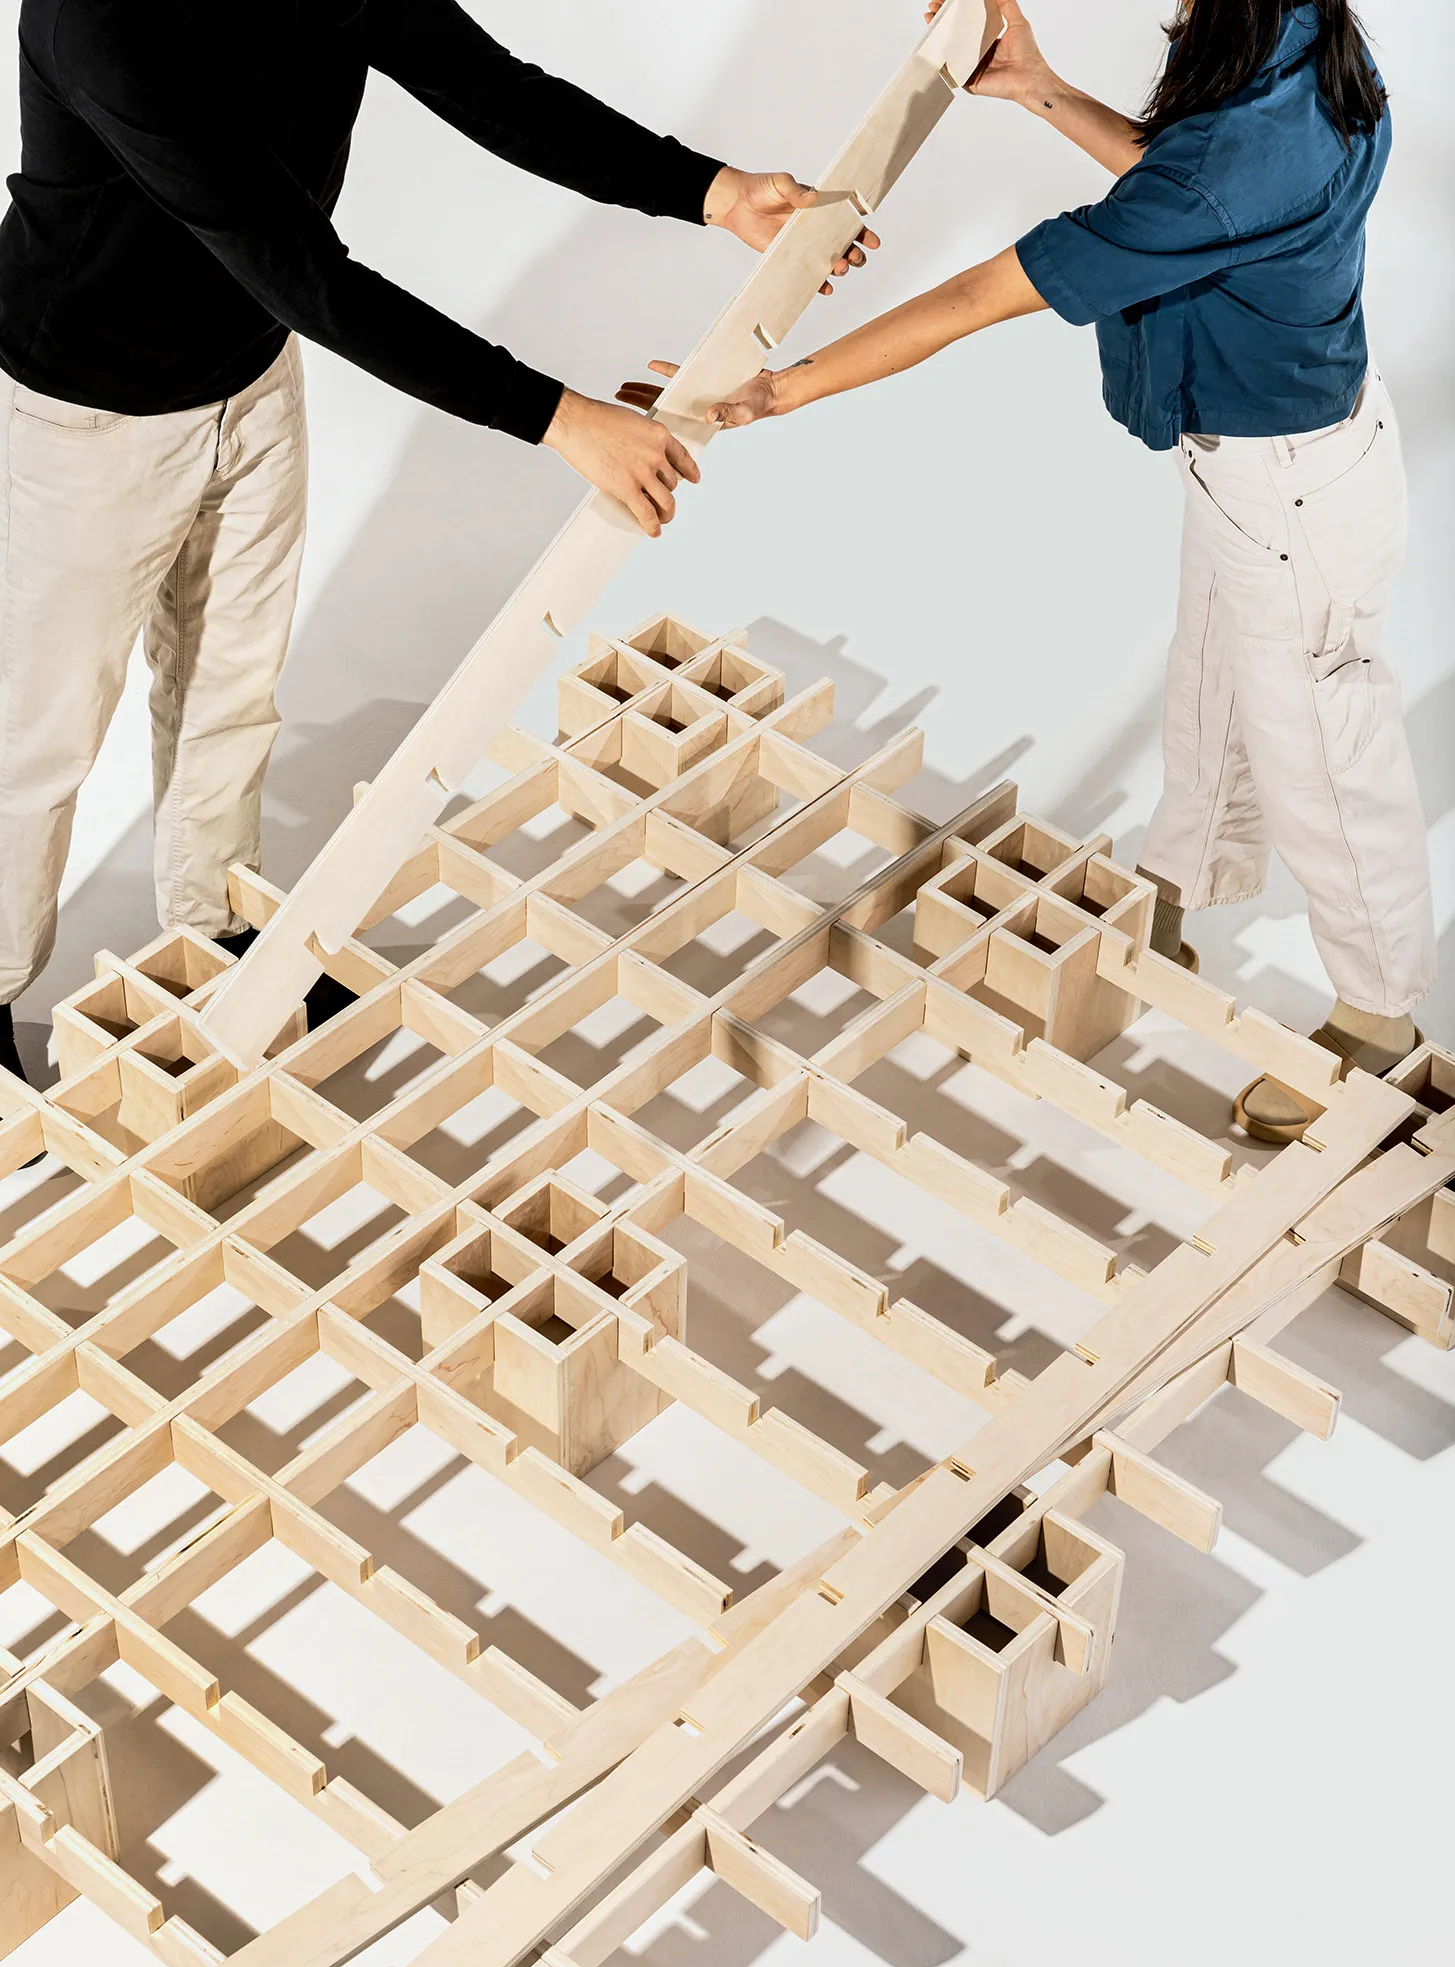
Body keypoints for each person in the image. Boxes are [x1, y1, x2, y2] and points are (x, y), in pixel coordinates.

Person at [0, 0, 879, 1088]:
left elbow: (494, 91)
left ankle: (219, 945)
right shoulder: (97, 22)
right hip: (86, 414)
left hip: (250, 377)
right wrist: (560, 417)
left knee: (230, 691)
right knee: (36, 739)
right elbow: (305, 272)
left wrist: (710, 191)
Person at [623, 0, 1436, 1143]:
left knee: (1320, 752)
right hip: (1281, 466)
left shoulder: (1234, 164)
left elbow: (976, 300)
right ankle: (1178, 895)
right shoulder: (1312, 48)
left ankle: (1378, 1021)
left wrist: (782, 386)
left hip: (1290, 491)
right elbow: (1186, 190)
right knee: (1210, 692)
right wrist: (1042, 88)